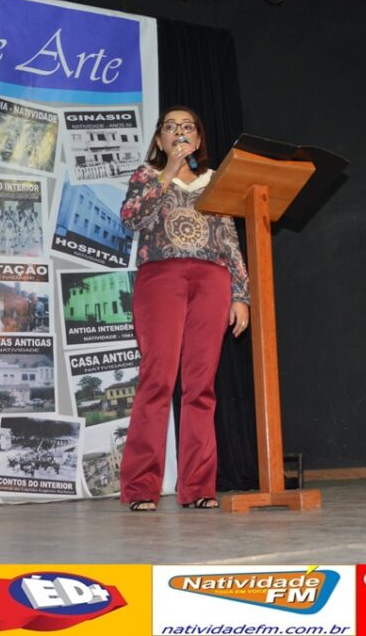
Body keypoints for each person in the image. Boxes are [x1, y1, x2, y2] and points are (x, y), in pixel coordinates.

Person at [118, 106, 250, 512]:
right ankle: (141, 487)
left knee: (201, 386)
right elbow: (132, 218)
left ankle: (198, 486)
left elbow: (228, 239)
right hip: (162, 278)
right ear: (160, 140)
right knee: (157, 380)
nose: (180, 132)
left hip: (212, 281)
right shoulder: (147, 175)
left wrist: (240, 294)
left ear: (198, 138)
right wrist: (169, 171)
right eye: (171, 127)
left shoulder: (216, 181)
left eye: (187, 127)